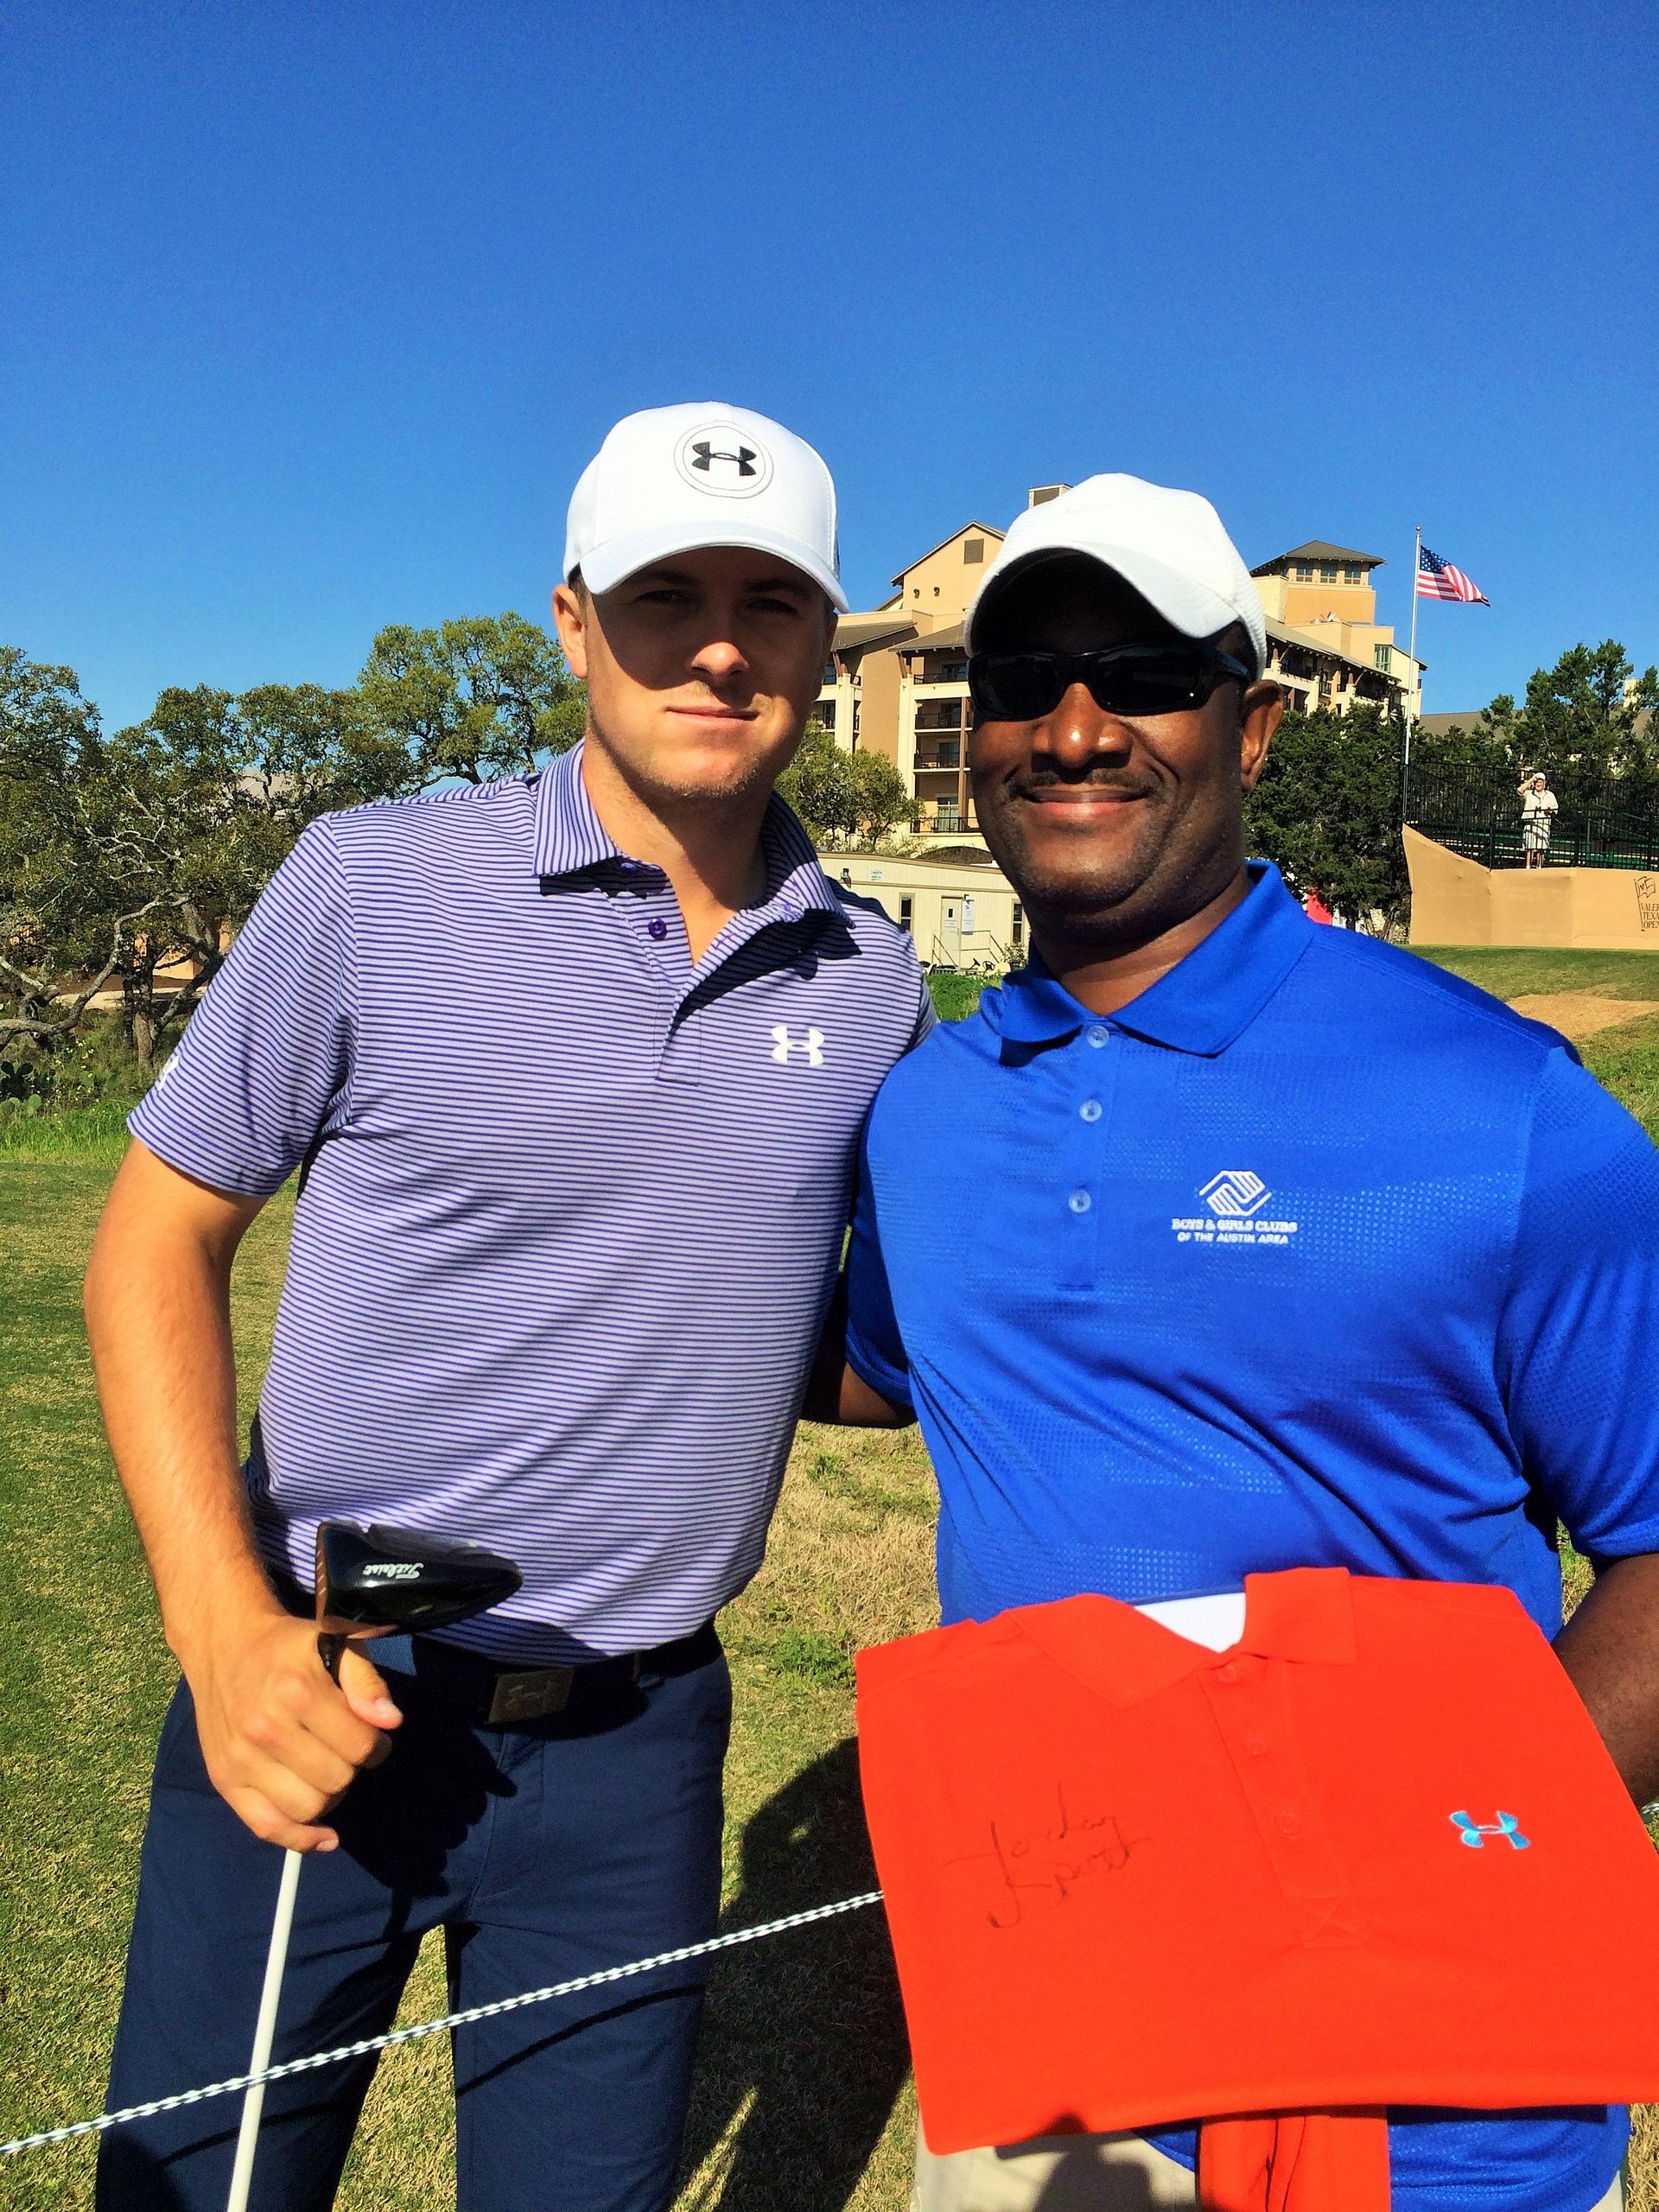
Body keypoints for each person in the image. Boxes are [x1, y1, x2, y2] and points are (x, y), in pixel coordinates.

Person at [85, 401, 934, 2212]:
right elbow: (157, 1232)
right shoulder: (373, 882)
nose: (718, 642)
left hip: (638, 1741)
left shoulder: (869, 980)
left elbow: (804, 1319)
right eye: (664, 594)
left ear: (821, 637)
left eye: (770, 599)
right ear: (572, 620)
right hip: (328, 1674)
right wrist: (222, 1632)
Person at [814, 475, 1659, 2212]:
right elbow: (888, 1365)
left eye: (1141, 671)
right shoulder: (929, 1111)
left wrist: (1435, 1842)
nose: (1073, 725)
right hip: (1054, 2057)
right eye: (1028, 674)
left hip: (1431, 2107)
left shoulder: (1498, 1102)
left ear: (1254, 722)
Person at [1519, 768, 1559, 868]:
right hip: (1530, 823)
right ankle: (1528, 867)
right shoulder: (1529, 793)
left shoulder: (1550, 795)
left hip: (1543, 823)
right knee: (1529, 847)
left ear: (1544, 783)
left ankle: (1539, 867)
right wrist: (1531, 779)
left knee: (1541, 847)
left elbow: (1555, 810)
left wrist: (1549, 811)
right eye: (1537, 782)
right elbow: (1520, 790)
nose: (1538, 784)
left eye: (1540, 782)